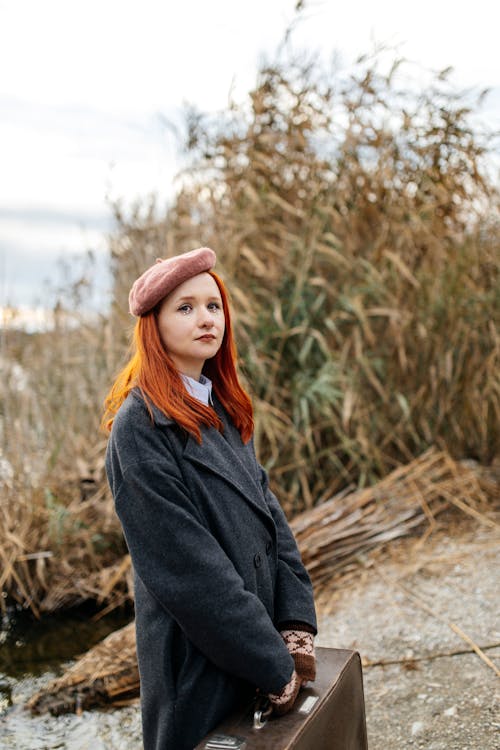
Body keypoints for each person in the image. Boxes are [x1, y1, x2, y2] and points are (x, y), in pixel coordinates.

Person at [102, 247, 317, 750]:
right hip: (198, 661)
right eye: (186, 307)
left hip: (255, 642)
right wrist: (269, 660)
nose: (206, 319)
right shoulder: (141, 427)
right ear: (153, 326)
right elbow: (188, 572)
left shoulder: (220, 401)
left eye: (214, 306)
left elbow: (270, 518)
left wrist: (294, 624)